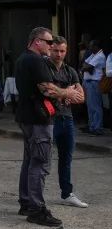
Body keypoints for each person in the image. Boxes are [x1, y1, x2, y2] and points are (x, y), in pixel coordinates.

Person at [14, 27, 82, 227]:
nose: (52, 46)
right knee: (40, 163)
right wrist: (67, 93)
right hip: (37, 118)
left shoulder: (22, 59)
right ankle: (36, 209)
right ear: (37, 41)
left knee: (29, 161)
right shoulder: (35, 60)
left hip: (27, 116)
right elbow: (46, 88)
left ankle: (26, 202)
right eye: (49, 42)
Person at [47, 36, 88, 208]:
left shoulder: (70, 71)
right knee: (41, 159)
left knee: (66, 158)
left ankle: (66, 194)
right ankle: (33, 197)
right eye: (56, 50)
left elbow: (81, 97)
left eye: (62, 51)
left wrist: (65, 96)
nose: (59, 54)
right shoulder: (44, 69)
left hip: (67, 119)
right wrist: (67, 93)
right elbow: (47, 91)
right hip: (49, 120)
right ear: (50, 50)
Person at [80, 40, 105, 136]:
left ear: (97, 47)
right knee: (90, 106)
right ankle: (92, 126)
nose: (89, 48)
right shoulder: (93, 55)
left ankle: (97, 128)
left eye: (91, 46)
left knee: (95, 106)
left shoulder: (100, 56)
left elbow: (87, 67)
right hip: (87, 82)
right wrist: (87, 68)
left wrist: (87, 68)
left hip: (94, 83)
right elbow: (84, 63)